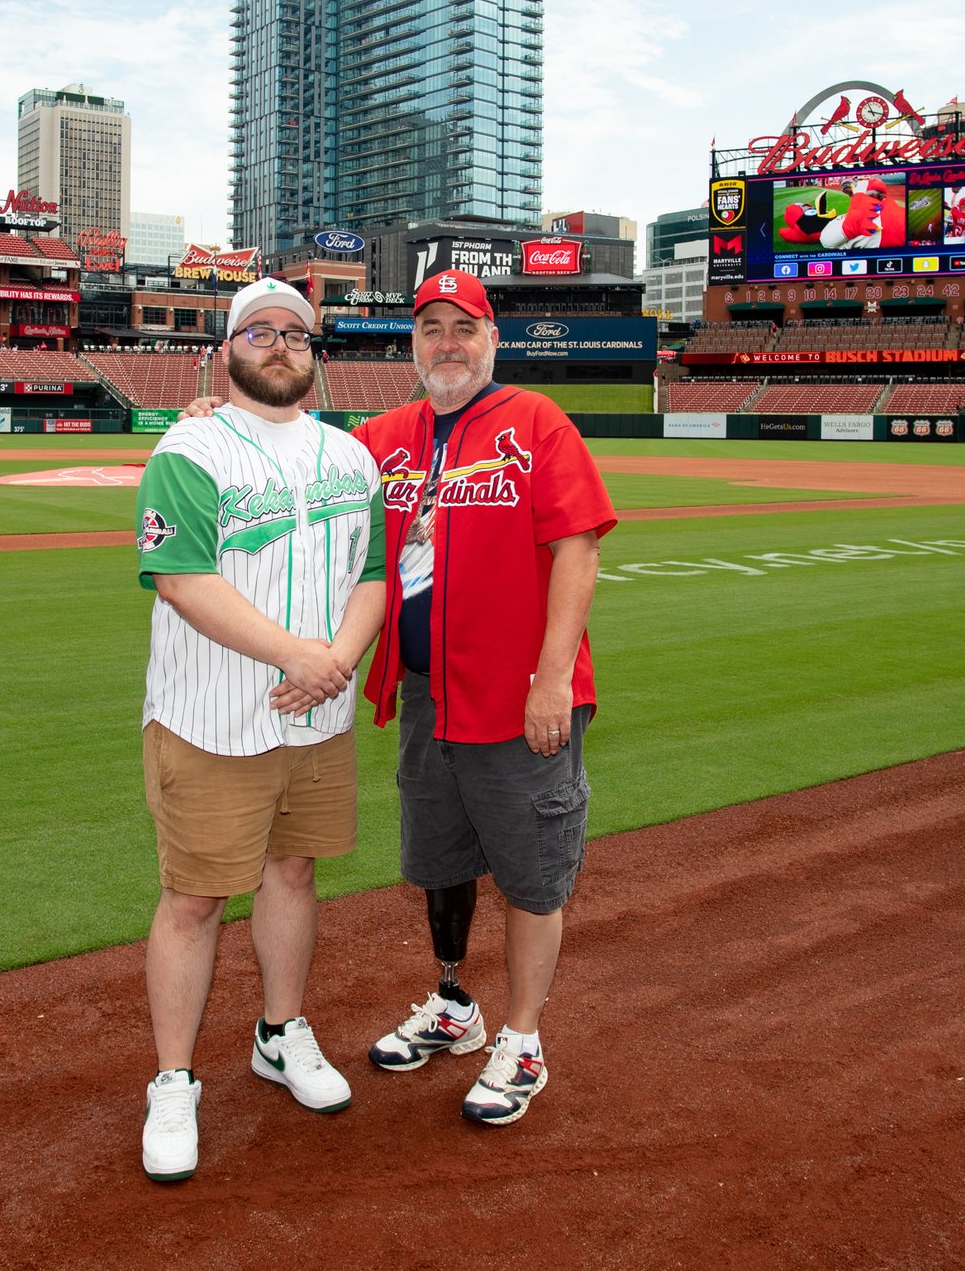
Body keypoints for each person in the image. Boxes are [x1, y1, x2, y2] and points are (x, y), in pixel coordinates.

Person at [131, 277, 387, 1183]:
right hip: (210, 717)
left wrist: (335, 661)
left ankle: (280, 1034)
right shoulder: (190, 447)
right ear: (226, 349)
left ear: (315, 354)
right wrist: (300, 656)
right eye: (258, 331)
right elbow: (181, 578)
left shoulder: (351, 456)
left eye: (296, 334)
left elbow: (373, 576)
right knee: (194, 899)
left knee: (294, 871)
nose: (279, 344)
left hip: (318, 718)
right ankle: (173, 1077)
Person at [357, 269, 616, 1126]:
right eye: (430, 327)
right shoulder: (384, 437)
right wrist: (220, 418)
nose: (446, 343)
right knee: (440, 859)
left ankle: (524, 1039)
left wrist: (552, 677)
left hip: (519, 698)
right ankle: (454, 1003)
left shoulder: (535, 421)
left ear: (491, 336)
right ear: (414, 343)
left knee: (532, 873)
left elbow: (577, 548)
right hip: (429, 694)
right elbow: (294, 464)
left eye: (461, 327)